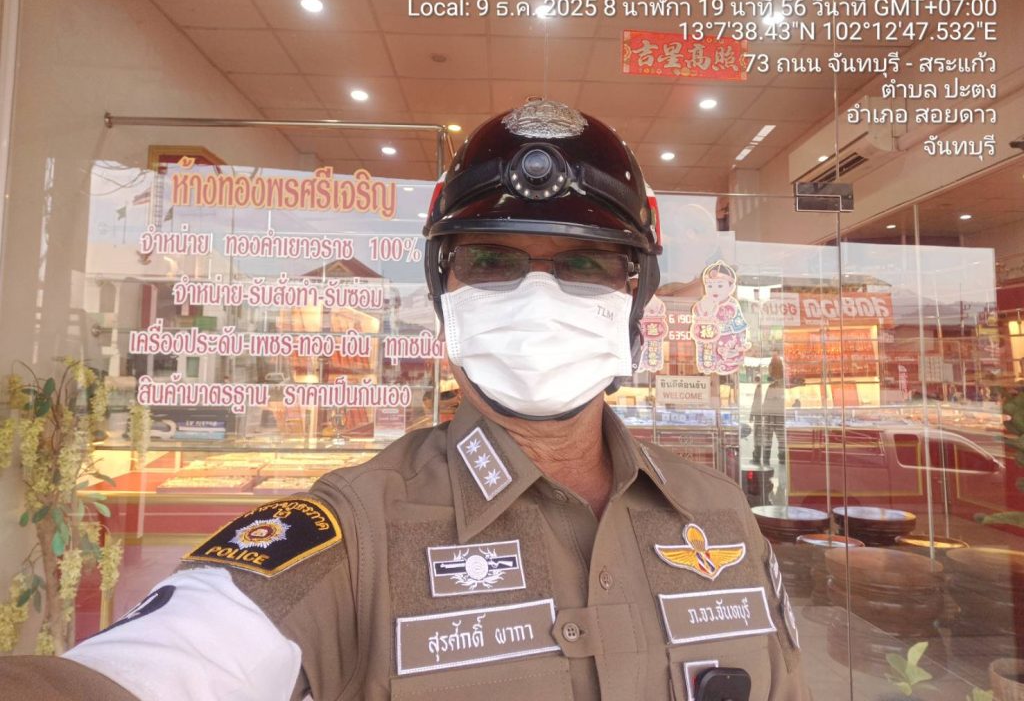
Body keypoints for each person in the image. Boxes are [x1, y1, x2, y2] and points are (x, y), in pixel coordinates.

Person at [0, 100, 808, 700]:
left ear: (635, 298)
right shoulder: (351, 542)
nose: (537, 297)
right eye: (491, 261)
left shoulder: (720, 516)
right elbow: (167, 664)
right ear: (445, 296)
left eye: (584, 264)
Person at [761, 355, 787, 465]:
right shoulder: (775, 385)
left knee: (771, 437)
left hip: (775, 415)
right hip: (775, 415)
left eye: (771, 367)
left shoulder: (777, 385)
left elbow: (767, 402)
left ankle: (769, 459)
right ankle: (779, 458)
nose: (770, 370)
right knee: (778, 438)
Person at [749, 374, 765, 464]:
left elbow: (756, 402)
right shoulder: (761, 388)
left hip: (759, 416)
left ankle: (756, 457)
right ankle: (758, 456)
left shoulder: (759, 388)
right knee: (759, 436)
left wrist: (752, 414)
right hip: (761, 415)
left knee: (757, 436)